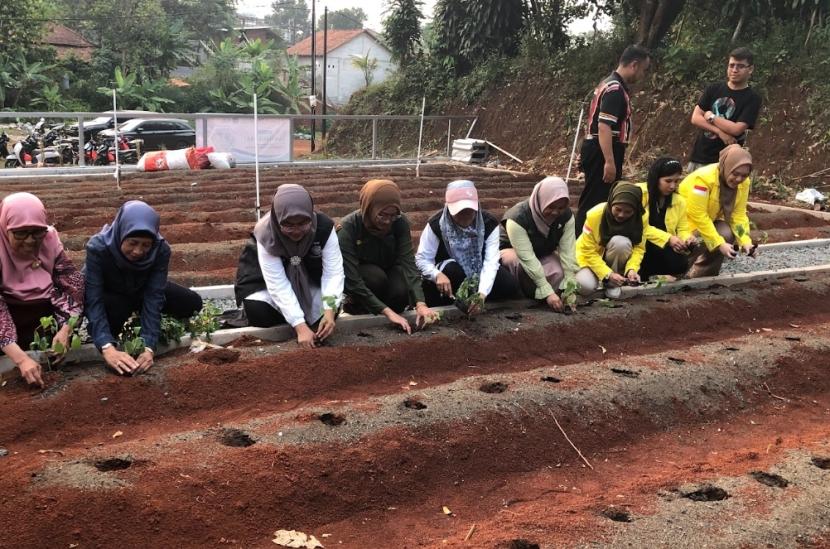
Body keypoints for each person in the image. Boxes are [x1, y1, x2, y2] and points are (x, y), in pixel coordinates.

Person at [85, 201, 203, 375]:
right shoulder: (98, 248)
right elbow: (92, 297)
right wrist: (107, 347)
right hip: (111, 293)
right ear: (121, 233)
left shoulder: (161, 249)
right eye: (132, 243)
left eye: (145, 245)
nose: (138, 251)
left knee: (192, 302)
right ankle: (105, 331)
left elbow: (154, 296)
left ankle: (140, 319)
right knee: (114, 311)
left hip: (141, 289)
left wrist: (149, 347)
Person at [235, 184, 344, 349]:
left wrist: (329, 312)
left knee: (331, 310)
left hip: (309, 280)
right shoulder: (266, 232)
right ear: (278, 220)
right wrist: (299, 326)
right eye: (288, 225)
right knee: (258, 312)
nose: (296, 231)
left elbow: (333, 273)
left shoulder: (324, 228)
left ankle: (305, 315)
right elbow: (277, 283)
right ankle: (296, 317)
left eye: (303, 223)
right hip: (267, 284)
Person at [0, 193, 84, 387]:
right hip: (7, 320)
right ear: (5, 229)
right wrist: (20, 359)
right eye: (20, 233)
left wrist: (65, 329)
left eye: (37, 232)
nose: (30, 240)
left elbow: (72, 286)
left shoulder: (49, 239)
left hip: (41, 319)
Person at [338, 179, 439, 334]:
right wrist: (388, 313)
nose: (387, 221)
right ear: (370, 207)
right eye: (382, 215)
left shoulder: (400, 222)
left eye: (393, 215)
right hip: (363, 273)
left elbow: (408, 263)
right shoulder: (348, 227)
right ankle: (357, 306)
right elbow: (352, 278)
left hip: (390, 266)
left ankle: (382, 308)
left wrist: (421, 304)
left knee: (401, 293)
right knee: (376, 278)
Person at [575, 44, 651, 235]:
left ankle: (591, 241)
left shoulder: (609, 83)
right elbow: (604, 126)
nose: (643, 75)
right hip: (603, 150)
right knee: (595, 201)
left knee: (598, 197)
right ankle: (580, 244)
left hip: (599, 147)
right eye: (643, 69)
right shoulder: (615, 89)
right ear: (634, 65)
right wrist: (609, 161)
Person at [415, 180, 517, 312]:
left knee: (509, 285)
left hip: (478, 268)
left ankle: (475, 301)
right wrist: (437, 275)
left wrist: (482, 294)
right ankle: (452, 300)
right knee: (453, 270)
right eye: (459, 212)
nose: (465, 216)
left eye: (469, 211)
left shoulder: (489, 223)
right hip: (449, 273)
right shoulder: (436, 224)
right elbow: (422, 258)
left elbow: (491, 262)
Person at [499, 176, 577, 312]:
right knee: (524, 269)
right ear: (541, 200)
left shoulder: (566, 217)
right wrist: (547, 292)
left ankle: (551, 295)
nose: (555, 212)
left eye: (560, 208)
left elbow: (568, 250)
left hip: (542, 251)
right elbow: (527, 257)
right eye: (551, 206)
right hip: (511, 252)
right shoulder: (517, 218)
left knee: (559, 272)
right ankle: (523, 293)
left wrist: (569, 286)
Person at [678, 144, 756, 278]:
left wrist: (745, 241)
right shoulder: (702, 180)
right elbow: (698, 215)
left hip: (708, 218)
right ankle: (675, 273)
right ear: (726, 167)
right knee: (698, 239)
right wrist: (719, 243)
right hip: (684, 222)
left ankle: (703, 275)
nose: (739, 179)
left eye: (744, 175)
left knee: (726, 232)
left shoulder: (744, 183)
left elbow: (738, 214)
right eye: (735, 174)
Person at [687, 47, 762, 172]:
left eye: (740, 66)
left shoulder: (753, 98)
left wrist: (711, 116)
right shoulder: (714, 89)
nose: (734, 70)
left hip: (726, 162)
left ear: (750, 69)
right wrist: (720, 132)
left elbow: (736, 129)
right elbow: (695, 118)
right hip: (699, 156)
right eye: (731, 65)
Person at [575, 182, 647, 297]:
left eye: (628, 212)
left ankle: (612, 284)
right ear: (611, 203)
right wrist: (607, 273)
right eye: (617, 209)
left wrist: (632, 269)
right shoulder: (594, 215)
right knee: (585, 286)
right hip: (589, 258)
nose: (621, 215)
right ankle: (606, 278)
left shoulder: (640, 219)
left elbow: (639, 248)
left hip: (615, 258)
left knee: (621, 243)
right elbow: (587, 251)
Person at [637, 157, 696, 280]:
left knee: (680, 264)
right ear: (656, 178)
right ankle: (640, 274)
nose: (672, 186)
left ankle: (653, 276)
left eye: (676, 181)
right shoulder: (639, 194)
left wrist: (687, 238)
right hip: (639, 244)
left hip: (662, 246)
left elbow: (682, 228)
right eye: (668, 181)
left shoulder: (678, 201)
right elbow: (639, 227)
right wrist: (669, 238)